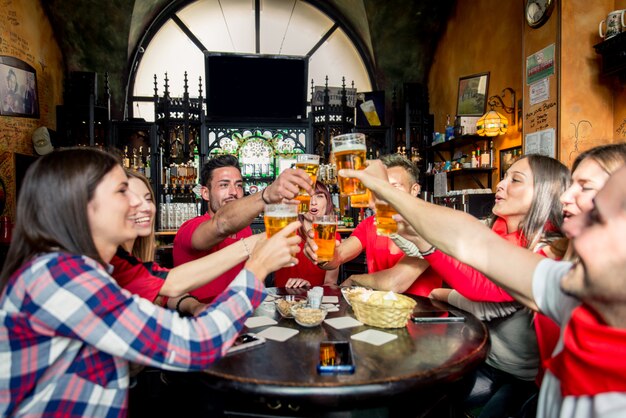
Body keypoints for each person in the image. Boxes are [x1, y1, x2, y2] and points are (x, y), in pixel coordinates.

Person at [0, 147, 301, 417]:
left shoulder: (81, 268)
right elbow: (196, 343)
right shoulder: (63, 279)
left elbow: (166, 282)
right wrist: (257, 266)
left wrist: (269, 241)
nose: (139, 204)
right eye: (121, 191)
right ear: (78, 205)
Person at [339, 148, 626, 418]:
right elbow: (474, 241)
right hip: (494, 363)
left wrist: (388, 193)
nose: (566, 196)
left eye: (586, 188)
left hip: (518, 378)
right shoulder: (565, 283)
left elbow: (481, 286)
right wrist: (392, 202)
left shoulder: (556, 265)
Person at [420, 154, 570, 417]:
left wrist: (441, 288)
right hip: (486, 359)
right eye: (504, 176)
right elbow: (452, 235)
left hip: (525, 379)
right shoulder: (494, 230)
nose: (500, 184)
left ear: (545, 193)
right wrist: (411, 230)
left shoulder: (549, 249)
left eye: (515, 180)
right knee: (429, 399)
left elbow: (487, 301)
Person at [111, 170, 265, 316]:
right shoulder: (191, 227)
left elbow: (164, 292)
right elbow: (171, 284)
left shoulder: (131, 261)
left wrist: (195, 306)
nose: (145, 207)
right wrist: (261, 238)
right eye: (224, 185)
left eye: (148, 198)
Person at [173, 154, 313, 303]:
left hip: (242, 317)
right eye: (224, 185)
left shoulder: (245, 231)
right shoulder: (190, 229)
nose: (234, 192)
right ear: (205, 193)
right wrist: (266, 195)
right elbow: (222, 223)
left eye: (239, 185)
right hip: (202, 320)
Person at [306, 153, 442, 297]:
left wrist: (353, 280)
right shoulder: (369, 224)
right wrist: (322, 255)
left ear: (414, 190)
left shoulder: (427, 226)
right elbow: (338, 256)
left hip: (421, 315)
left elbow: (394, 283)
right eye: (381, 187)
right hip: (378, 314)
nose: (386, 193)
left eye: (394, 187)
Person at [273, 181, 340, 288]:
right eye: (307, 196)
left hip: (316, 301)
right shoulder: (285, 230)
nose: (313, 202)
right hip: (284, 298)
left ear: (327, 202)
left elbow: (330, 283)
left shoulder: (333, 236)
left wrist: (310, 288)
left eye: (319, 196)